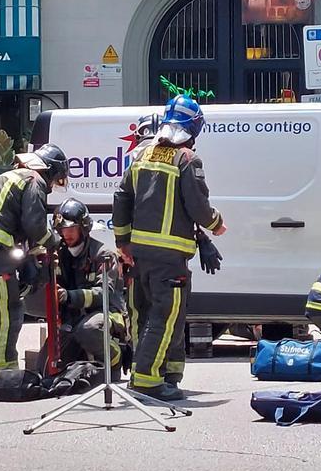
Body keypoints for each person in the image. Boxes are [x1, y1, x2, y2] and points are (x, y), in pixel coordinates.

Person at [112, 95, 226, 402]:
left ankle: (168, 374)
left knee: (147, 314)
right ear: (193, 128)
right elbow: (198, 206)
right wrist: (216, 224)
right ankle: (148, 379)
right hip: (170, 258)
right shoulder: (186, 159)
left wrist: (123, 242)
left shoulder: (141, 155)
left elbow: (121, 198)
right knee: (165, 317)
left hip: (140, 256)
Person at [0, 143, 66, 391]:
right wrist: (55, 243)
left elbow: (18, 226)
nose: (53, 185)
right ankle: (4, 375)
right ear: (50, 170)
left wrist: (27, 256)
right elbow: (35, 226)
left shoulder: (11, 176)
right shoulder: (34, 180)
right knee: (7, 310)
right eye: (56, 179)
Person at [52, 199, 127, 376]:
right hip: (74, 317)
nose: (66, 235)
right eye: (62, 230)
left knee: (88, 329)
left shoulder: (103, 255)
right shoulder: (60, 254)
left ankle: (115, 360)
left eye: (71, 229)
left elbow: (104, 294)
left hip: (106, 313)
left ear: (83, 228)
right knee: (50, 363)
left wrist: (69, 296)